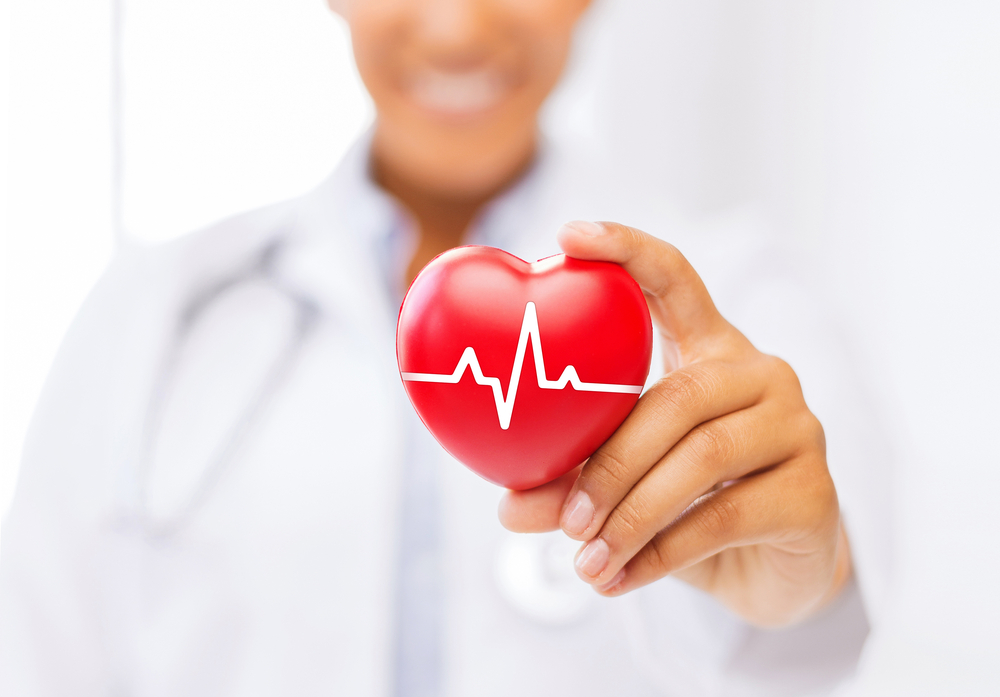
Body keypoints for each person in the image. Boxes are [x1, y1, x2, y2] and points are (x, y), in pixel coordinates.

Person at [0, 0, 891, 695]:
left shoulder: (745, 299)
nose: (460, 26)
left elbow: (837, 644)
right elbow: (40, 658)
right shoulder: (154, 314)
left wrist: (798, 592)